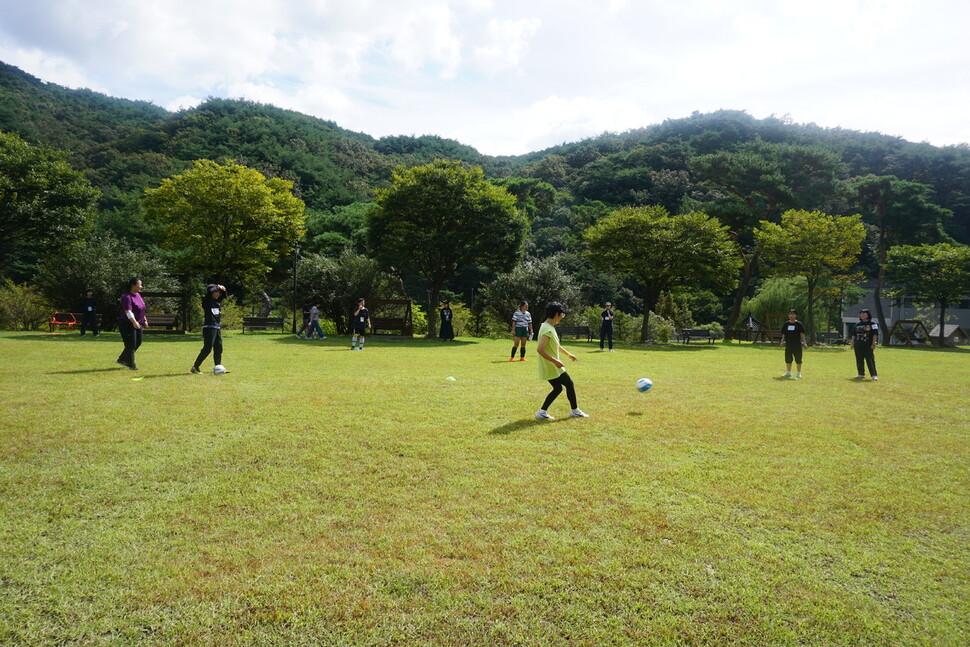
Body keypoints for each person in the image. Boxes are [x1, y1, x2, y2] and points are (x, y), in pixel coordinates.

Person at [535, 302, 588, 420]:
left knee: (558, 388)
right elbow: (540, 349)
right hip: (551, 366)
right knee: (569, 384)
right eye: (561, 315)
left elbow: (556, 345)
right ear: (556, 314)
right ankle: (575, 411)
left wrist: (568, 354)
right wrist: (555, 361)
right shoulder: (547, 329)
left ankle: (542, 412)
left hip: (551, 365)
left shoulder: (548, 327)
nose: (562, 317)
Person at [191, 284, 227, 374]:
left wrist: (223, 289)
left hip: (217, 327)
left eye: (217, 292)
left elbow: (225, 294)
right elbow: (210, 291)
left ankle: (218, 367)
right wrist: (218, 286)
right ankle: (195, 367)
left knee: (219, 348)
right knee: (207, 348)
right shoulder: (206, 300)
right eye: (215, 292)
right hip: (209, 328)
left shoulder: (217, 301)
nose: (217, 293)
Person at [116, 277, 147, 370]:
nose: (141, 287)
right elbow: (128, 311)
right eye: (139, 284)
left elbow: (142, 309)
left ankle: (122, 359)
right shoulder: (126, 297)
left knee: (138, 342)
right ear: (133, 285)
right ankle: (131, 364)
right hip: (127, 324)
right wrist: (134, 322)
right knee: (131, 344)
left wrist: (144, 320)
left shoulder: (138, 295)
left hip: (138, 323)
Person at [778, 308, 807, 378]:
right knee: (788, 358)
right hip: (788, 344)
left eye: (793, 314)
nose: (791, 315)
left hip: (797, 344)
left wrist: (804, 343)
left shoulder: (799, 324)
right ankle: (788, 372)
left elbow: (802, 334)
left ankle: (798, 373)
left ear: (796, 315)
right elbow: (784, 334)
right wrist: (782, 341)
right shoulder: (786, 324)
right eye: (790, 314)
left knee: (798, 359)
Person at [851, 308, 879, 380]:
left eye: (864, 314)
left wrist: (873, 344)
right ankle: (861, 374)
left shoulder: (873, 324)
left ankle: (874, 375)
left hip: (868, 345)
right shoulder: (857, 325)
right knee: (859, 359)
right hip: (858, 345)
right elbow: (854, 335)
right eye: (861, 314)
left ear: (868, 315)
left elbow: (875, 334)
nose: (862, 315)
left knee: (870, 360)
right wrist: (852, 343)